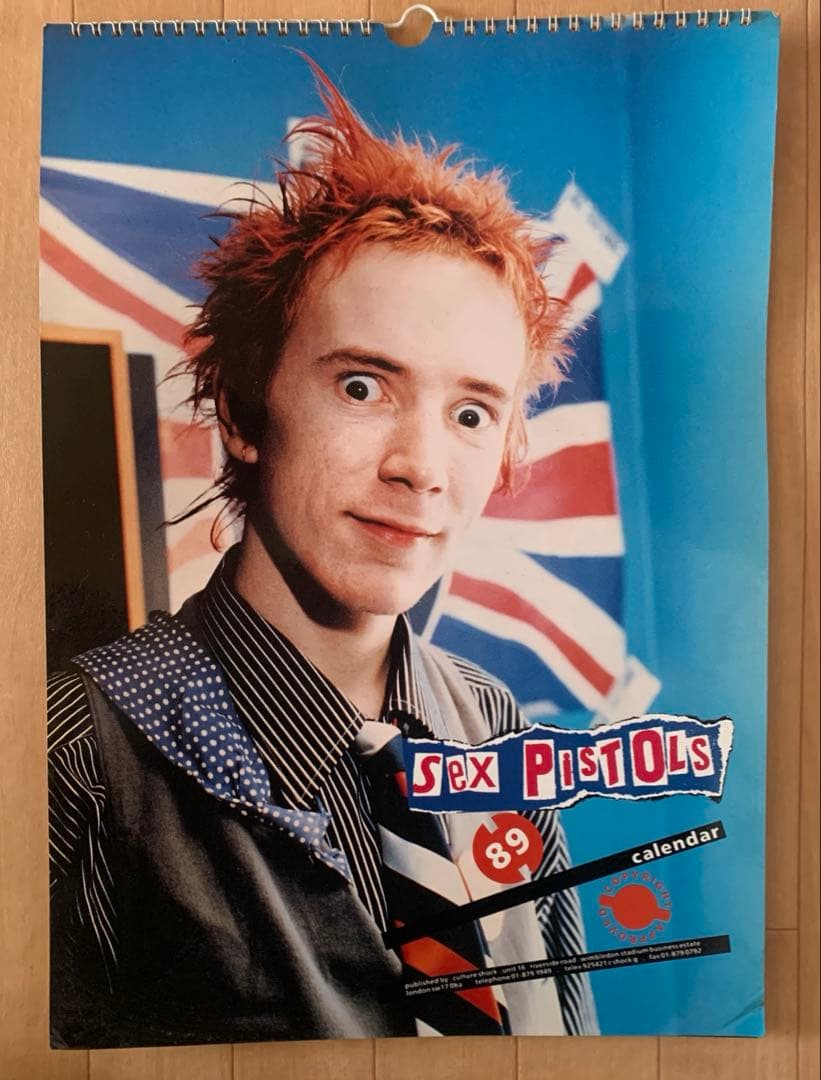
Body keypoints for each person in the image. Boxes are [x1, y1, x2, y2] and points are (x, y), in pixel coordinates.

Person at [47, 65, 598, 1047]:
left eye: (471, 413)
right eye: (361, 387)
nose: (420, 466)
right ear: (242, 409)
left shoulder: (494, 723)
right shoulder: (75, 754)